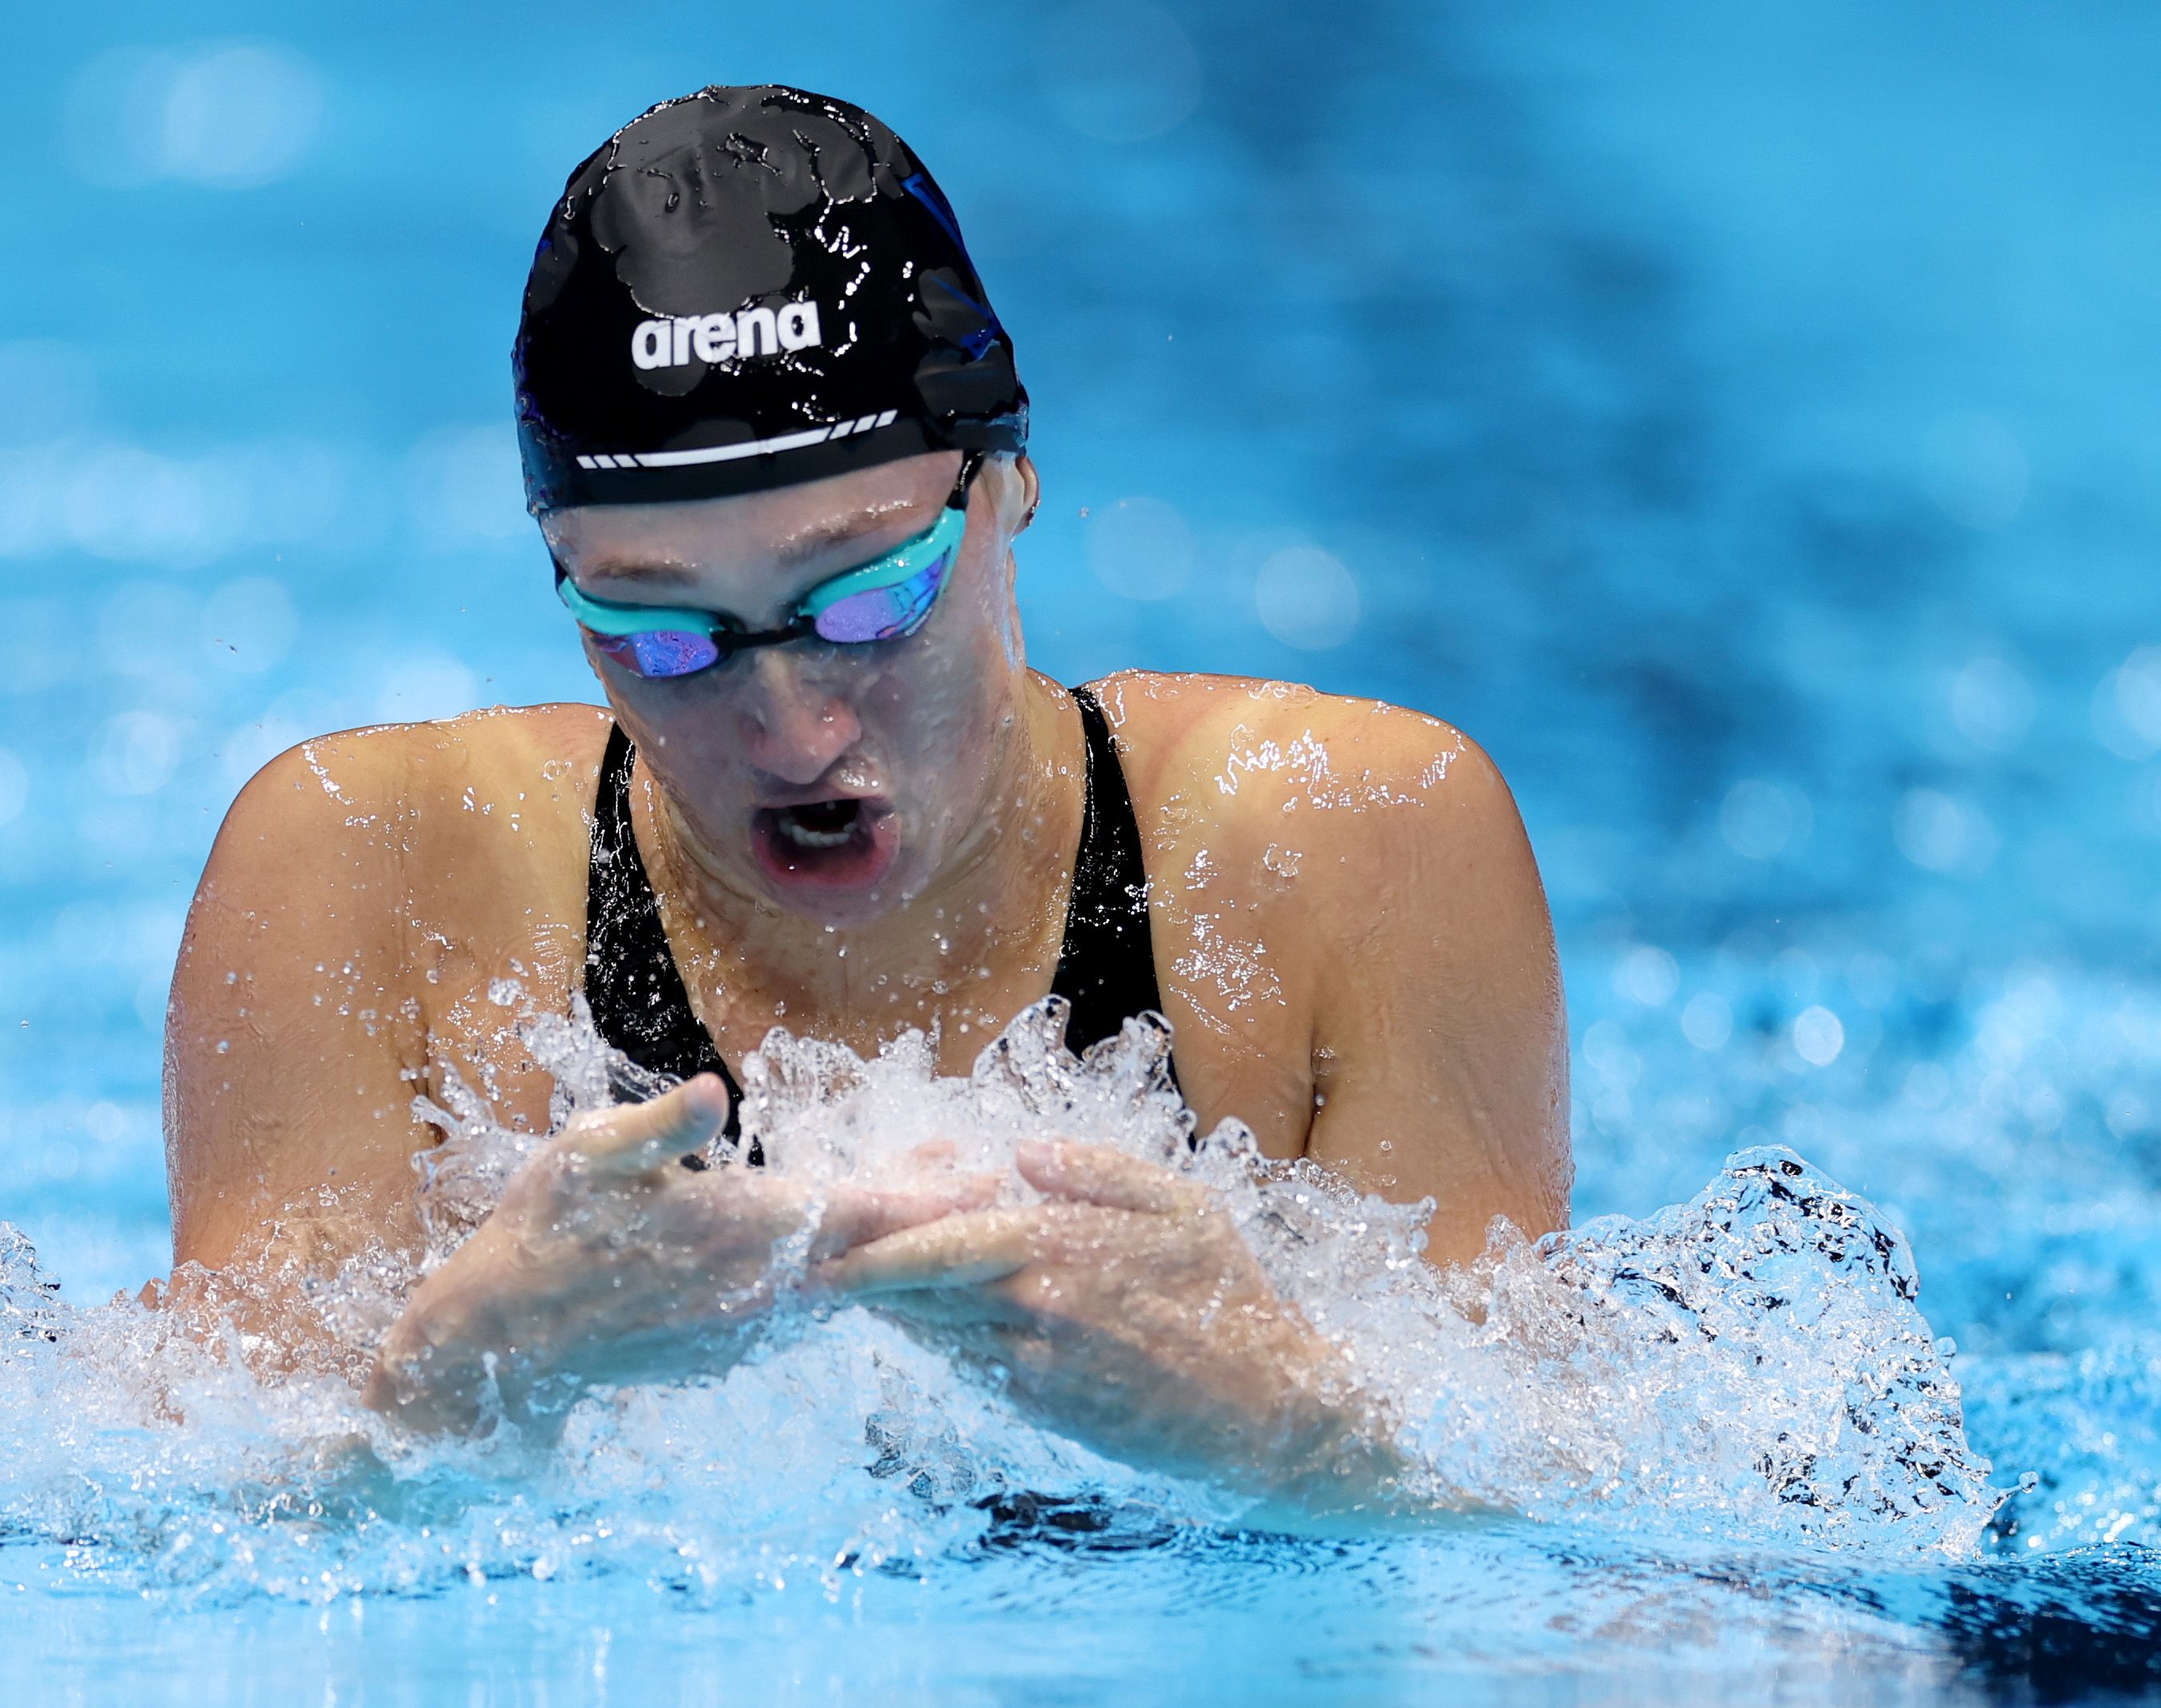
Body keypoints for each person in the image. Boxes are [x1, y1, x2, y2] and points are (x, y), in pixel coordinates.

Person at [164, 84, 1568, 1498]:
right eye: (663, 637)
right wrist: (456, 1391)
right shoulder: (360, 872)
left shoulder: (1352, 843)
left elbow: (1556, 1582)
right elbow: (186, 1582)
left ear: (1009, 486)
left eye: (865, 606)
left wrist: (1291, 1435)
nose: (785, 729)